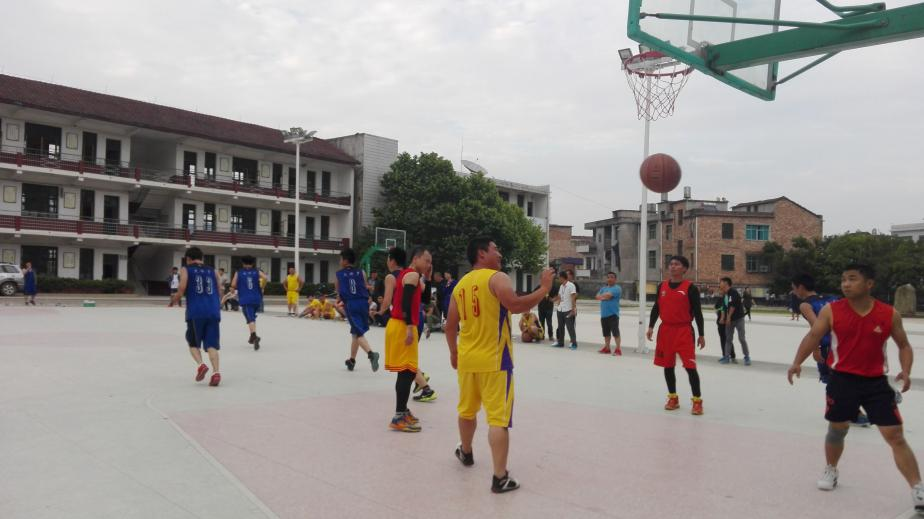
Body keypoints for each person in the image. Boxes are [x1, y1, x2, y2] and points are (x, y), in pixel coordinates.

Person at [787, 264, 924, 512]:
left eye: (852, 279)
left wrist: (906, 370)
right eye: (843, 280)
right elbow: (813, 336)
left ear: (869, 284)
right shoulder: (832, 311)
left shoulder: (888, 314)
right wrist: (797, 362)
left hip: (875, 383)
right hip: (842, 380)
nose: (846, 284)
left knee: (895, 435)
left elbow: (904, 345)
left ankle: (917, 487)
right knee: (837, 430)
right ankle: (831, 469)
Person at [445, 236, 554, 493]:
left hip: (467, 359)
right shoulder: (497, 278)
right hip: (495, 360)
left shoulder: (460, 285)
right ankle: (499, 477)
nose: (500, 254)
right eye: (496, 249)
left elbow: (450, 325)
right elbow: (515, 305)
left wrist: (453, 352)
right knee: (498, 419)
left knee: (467, 410)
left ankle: (466, 452)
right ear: (482, 253)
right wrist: (544, 288)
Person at [792, 273, 870, 427]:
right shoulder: (832, 298)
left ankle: (857, 410)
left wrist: (815, 349)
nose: (793, 292)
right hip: (846, 343)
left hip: (828, 347)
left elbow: (816, 328)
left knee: (836, 381)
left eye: (794, 288)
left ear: (800, 287)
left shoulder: (805, 305)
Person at [647, 256, 706, 414]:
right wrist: (651, 326)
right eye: (671, 264)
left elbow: (698, 313)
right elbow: (656, 307)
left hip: (684, 330)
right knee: (668, 366)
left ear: (684, 269)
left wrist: (701, 334)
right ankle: (673, 398)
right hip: (666, 330)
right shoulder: (662, 286)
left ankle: (697, 401)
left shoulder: (690, 288)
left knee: (690, 367)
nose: (673, 266)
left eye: (677, 264)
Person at [383, 247, 433, 432]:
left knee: (410, 371)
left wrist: (428, 277)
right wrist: (410, 327)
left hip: (402, 325)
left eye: (430, 262)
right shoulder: (411, 275)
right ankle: (399, 416)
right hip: (402, 326)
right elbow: (405, 302)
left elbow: (425, 298)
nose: (429, 264)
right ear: (416, 258)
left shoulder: (414, 276)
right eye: (426, 261)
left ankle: (403, 410)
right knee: (406, 372)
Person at [172, 247, 223, 387]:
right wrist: (217, 304)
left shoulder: (186, 269)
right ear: (202, 258)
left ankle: (201, 365)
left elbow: (181, 288)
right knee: (212, 344)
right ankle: (216, 372)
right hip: (213, 311)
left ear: (188, 259)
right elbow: (220, 289)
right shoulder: (213, 270)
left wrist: (173, 301)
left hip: (196, 311)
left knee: (193, 342)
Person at [336, 248, 381, 373]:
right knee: (355, 332)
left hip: (351, 305)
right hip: (364, 303)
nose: (340, 261)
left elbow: (339, 292)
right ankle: (352, 360)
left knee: (358, 333)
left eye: (341, 259)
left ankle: (371, 354)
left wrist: (340, 299)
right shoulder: (362, 272)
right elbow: (364, 286)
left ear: (345, 260)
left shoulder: (339, 274)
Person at [718, 278, 751, 366]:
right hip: (729, 320)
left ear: (726, 283)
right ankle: (726, 357)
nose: (719, 284)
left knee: (741, 338)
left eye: (721, 282)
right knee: (728, 338)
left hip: (738, 319)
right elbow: (724, 307)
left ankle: (747, 357)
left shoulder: (733, 292)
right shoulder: (725, 294)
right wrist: (722, 318)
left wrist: (728, 318)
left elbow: (733, 306)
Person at [595, 271, 622, 355]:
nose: (609, 279)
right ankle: (607, 348)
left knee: (615, 333)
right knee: (606, 333)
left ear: (615, 279)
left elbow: (608, 296)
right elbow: (597, 297)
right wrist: (604, 297)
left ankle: (618, 349)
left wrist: (603, 296)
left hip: (613, 314)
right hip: (604, 315)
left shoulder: (617, 288)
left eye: (612, 277)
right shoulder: (603, 288)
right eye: (608, 277)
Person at [553, 271, 577, 349]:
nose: (558, 279)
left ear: (562, 277)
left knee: (570, 327)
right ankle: (561, 342)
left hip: (568, 309)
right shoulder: (561, 286)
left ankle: (574, 343)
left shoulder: (571, 285)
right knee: (560, 327)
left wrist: (573, 309)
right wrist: (558, 305)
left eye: (559, 277)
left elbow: (573, 298)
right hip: (560, 309)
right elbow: (559, 296)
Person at [537, 273, 556, 341]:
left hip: (549, 308)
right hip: (541, 307)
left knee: (549, 323)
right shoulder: (539, 287)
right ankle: (542, 335)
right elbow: (533, 294)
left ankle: (550, 336)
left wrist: (553, 299)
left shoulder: (552, 287)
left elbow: (558, 295)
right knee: (541, 323)